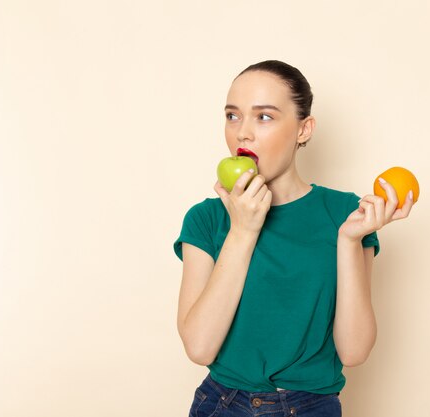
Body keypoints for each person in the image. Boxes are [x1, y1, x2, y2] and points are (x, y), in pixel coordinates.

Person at [173, 60, 414, 417]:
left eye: (264, 117)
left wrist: (349, 242)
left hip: (312, 407)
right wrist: (242, 229)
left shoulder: (346, 214)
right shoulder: (206, 219)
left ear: (304, 130)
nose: (243, 133)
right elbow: (199, 348)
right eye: (232, 116)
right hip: (222, 405)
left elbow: (354, 352)